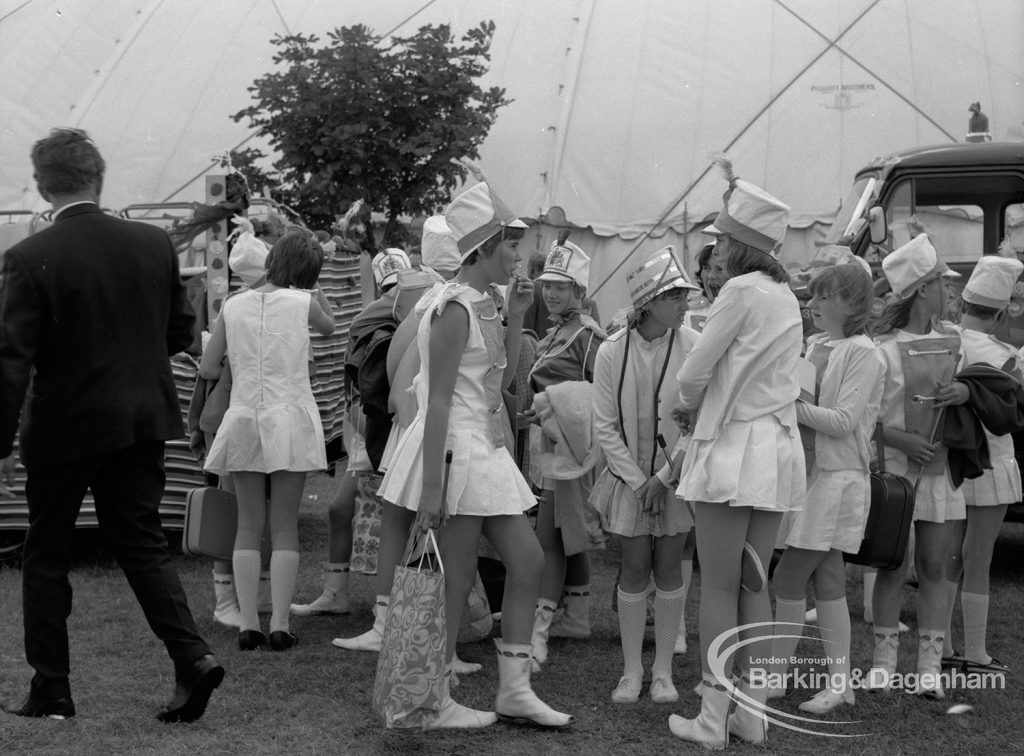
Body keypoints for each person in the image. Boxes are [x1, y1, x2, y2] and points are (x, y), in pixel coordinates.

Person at [0, 128, 223, 722]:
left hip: (65, 424)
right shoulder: (151, 244)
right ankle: (193, 657)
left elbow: (11, 360)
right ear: (99, 178)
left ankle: (52, 688)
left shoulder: (27, 258)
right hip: (141, 417)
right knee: (143, 545)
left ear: (44, 186)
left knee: (46, 555)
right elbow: (178, 332)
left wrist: (1, 443)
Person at [378, 181, 573, 729]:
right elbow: (435, 400)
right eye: (511, 245)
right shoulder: (451, 308)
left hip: (481, 449)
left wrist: (515, 317)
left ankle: (514, 691)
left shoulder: (485, 303)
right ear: (483, 248)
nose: (519, 255)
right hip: (454, 455)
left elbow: (503, 383)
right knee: (456, 576)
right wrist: (432, 493)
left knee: (528, 561)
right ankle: (431, 698)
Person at [668, 162, 805, 748]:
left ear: (742, 244)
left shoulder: (740, 292)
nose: (716, 246)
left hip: (735, 450)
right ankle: (751, 714)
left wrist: (688, 404)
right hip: (776, 451)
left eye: (723, 238)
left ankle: (712, 718)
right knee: (754, 582)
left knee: (721, 585)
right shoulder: (786, 298)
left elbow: (691, 376)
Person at [200, 231, 336, 652]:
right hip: (290, 417)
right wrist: (312, 287)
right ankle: (278, 623)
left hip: (244, 415)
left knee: (247, 524)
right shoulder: (305, 302)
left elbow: (207, 365)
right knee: (284, 526)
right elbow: (329, 328)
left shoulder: (234, 305)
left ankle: (246, 623)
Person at [768, 262, 885, 714]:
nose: (812, 304)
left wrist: (786, 402)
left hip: (836, 478)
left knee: (789, 575)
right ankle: (839, 683)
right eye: (812, 296)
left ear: (852, 303)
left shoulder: (864, 353)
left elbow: (842, 422)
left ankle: (776, 675)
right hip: (808, 473)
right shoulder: (815, 343)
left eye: (823, 297)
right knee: (828, 575)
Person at [591, 245, 700, 705]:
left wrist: (665, 476)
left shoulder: (693, 344)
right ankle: (631, 670)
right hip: (629, 483)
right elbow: (604, 426)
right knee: (634, 569)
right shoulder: (612, 351)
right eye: (675, 297)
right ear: (649, 302)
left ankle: (662, 672)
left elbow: (696, 417)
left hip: (673, 480)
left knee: (670, 567)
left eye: (684, 296)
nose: (685, 304)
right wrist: (640, 483)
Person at [867, 232, 967, 699]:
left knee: (934, 564)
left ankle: (929, 667)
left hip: (939, 471)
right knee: (892, 564)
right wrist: (901, 437)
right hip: (896, 475)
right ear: (923, 289)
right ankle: (884, 664)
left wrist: (963, 394)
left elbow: (977, 396)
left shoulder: (954, 341)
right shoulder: (882, 350)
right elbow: (862, 419)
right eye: (943, 284)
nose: (950, 292)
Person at [523, 239, 606, 670]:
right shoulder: (557, 330)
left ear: (579, 290)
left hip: (571, 450)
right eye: (547, 285)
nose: (550, 293)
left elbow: (600, 395)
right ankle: (575, 617)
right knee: (565, 537)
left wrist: (552, 412)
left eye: (560, 286)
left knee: (552, 540)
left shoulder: (588, 336)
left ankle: (537, 636)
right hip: (550, 445)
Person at [941, 255, 1024, 673]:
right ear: (1003, 309)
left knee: (947, 557)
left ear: (964, 303)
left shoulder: (945, 341)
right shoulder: (1008, 357)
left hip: (952, 461)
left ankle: (944, 648)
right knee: (979, 558)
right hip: (994, 462)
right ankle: (975, 653)